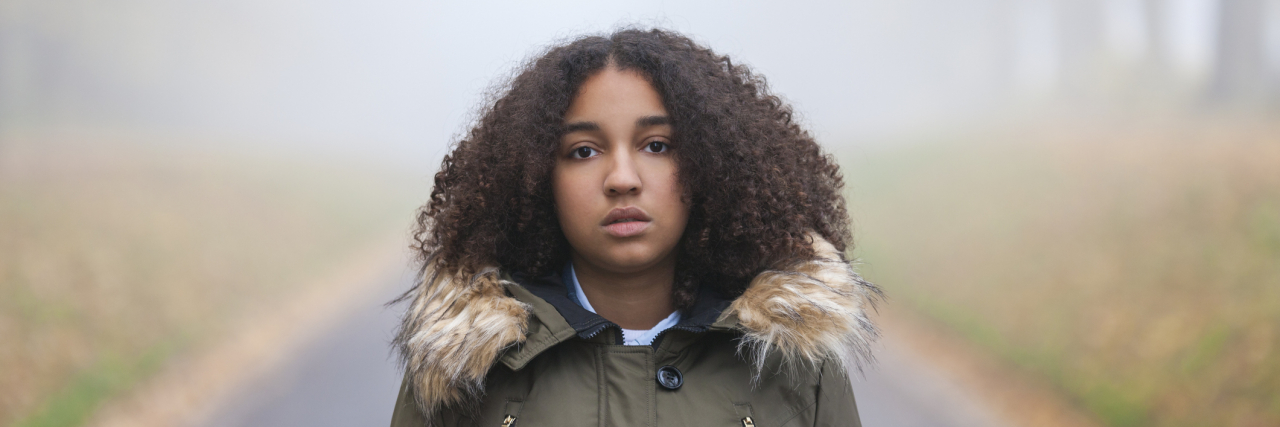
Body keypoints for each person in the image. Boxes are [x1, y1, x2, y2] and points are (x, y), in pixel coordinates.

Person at [389, 28, 881, 427]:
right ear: (538, 178)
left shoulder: (795, 355)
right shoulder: (462, 362)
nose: (622, 179)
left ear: (713, 163)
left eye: (657, 145)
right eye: (584, 151)